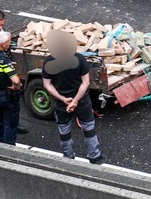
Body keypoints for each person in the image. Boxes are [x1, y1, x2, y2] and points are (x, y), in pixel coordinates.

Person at [42, 30, 105, 164]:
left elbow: (47, 84)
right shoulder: (79, 59)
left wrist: (63, 99)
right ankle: (94, 157)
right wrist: (75, 101)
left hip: (62, 103)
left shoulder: (49, 61)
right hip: (81, 101)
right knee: (88, 127)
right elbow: (85, 82)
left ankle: (68, 157)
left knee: (64, 130)